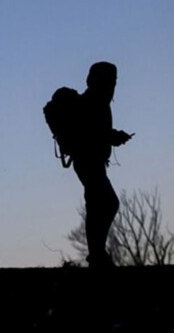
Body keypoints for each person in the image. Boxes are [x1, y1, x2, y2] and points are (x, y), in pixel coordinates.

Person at [73, 62, 133, 268]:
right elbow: (92, 132)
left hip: (91, 161)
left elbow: (95, 131)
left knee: (98, 204)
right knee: (106, 203)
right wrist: (114, 136)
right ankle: (97, 254)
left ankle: (97, 254)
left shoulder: (95, 100)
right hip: (88, 160)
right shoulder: (94, 101)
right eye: (110, 81)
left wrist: (112, 136)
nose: (112, 86)